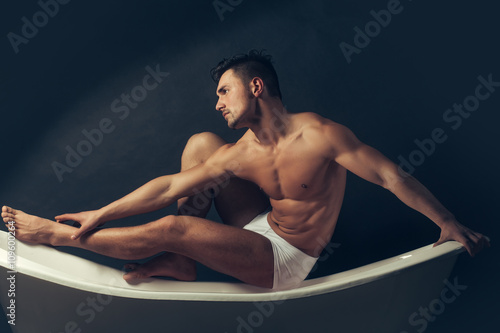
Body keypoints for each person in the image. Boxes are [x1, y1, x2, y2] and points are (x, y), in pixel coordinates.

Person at [2, 50, 489, 290]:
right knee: (200, 147)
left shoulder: (321, 135)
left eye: (223, 92)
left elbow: (389, 176)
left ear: (255, 87)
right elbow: (172, 184)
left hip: (286, 260)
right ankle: (180, 262)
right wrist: (102, 213)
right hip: (258, 230)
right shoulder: (243, 151)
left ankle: (54, 236)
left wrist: (444, 220)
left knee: (174, 226)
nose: (217, 102)